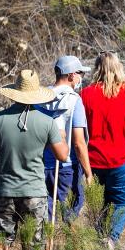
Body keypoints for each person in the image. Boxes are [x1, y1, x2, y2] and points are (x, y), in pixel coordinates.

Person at [0, 69, 70, 250]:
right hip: (34, 193)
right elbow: (63, 155)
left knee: (1, 238)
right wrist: (61, 136)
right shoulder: (47, 122)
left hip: (5, 191)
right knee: (32, 242)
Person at [80, 52, 125, 249]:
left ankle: (99, 239)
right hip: (121, 159)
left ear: (97, 68)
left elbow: (79, 128)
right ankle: (111, 239)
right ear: (118, 67)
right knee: (121, 202)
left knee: (101, 202)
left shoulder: (86, 94)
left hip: (92, 160)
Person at [40, 56, 93, 224]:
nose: (81, 78)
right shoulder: (75, 100)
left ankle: (46, 245)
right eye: (80, 74)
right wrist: (88, 173)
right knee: (70, 213)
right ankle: (69, 246)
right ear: (71, 76)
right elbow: (78, 142)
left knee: (46, 212)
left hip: (39, 165)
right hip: (66, 167)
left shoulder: (39, 97)